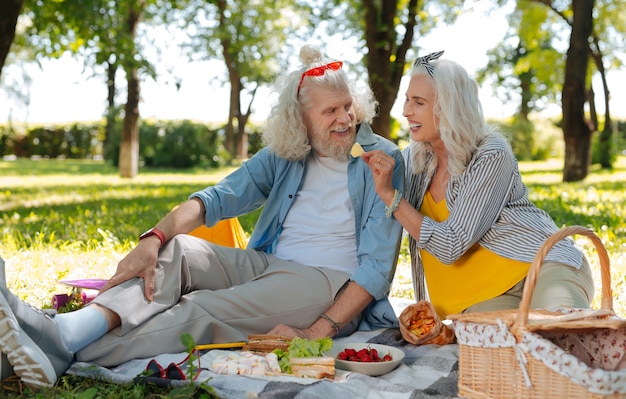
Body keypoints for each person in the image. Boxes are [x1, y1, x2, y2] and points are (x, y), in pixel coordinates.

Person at [0, 44, 404, 389]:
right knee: (179, 252)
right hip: (269, 265)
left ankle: (52, 343)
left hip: (329, 288)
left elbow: (375, 269)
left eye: (348, 106)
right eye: (331, 110)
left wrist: (318, 330)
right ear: (301, 120)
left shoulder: (383, 161)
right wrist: (153, 238)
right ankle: (66, 331)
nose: (346, 119)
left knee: (201, 307)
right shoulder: (287, 154)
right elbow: (216, 199)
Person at [362, 50, 594, 320]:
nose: (405, 111)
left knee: (557, 334)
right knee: (500, 354)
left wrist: (392, 197)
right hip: (480, 300)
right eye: (407, 100)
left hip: (543, 269)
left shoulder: (490, 154)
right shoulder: (411, 162)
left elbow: (451, 244)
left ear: (449, 106)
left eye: (418, 102)